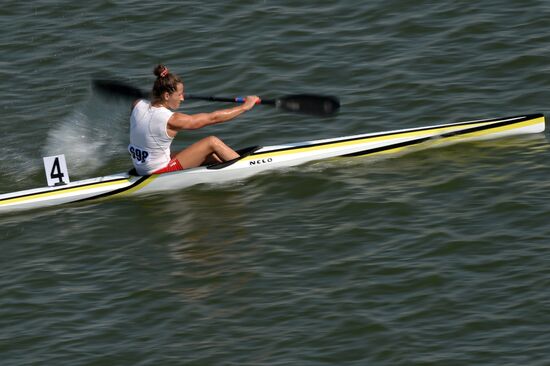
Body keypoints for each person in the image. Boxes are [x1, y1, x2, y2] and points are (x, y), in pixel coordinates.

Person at [128, 64, 260, 175]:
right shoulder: (172, 119)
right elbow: (213, 118)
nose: (182, 98)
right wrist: (245, 107)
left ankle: (226, 168)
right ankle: (249, 169)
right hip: (158, 171)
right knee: (212, 142)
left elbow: (150, 103)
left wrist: (157, 96)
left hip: (142, 167)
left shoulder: (137, 105)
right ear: (167, 95)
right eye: (179, 95)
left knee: (211, 156)